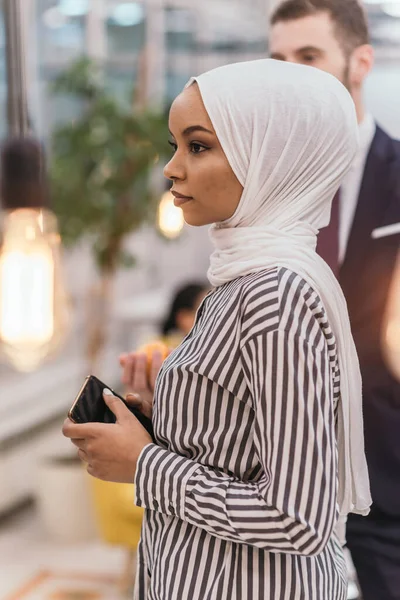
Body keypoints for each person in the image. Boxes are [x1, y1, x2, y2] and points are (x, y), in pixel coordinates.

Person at [63, 58, 371, 599]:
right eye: (175, 144)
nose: (171, 168)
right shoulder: (237, 280)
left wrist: (143, 462)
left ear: (268, 158)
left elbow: (297, 518)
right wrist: (171, 412)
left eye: (198, 146)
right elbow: (243, 443)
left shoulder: (274, 294)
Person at [269, 2, 400, 598]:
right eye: (278, 61)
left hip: (387, 474)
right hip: (281, 481)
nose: (290, 75)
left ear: (360, 63)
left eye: (309, 57)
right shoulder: (262, 193)